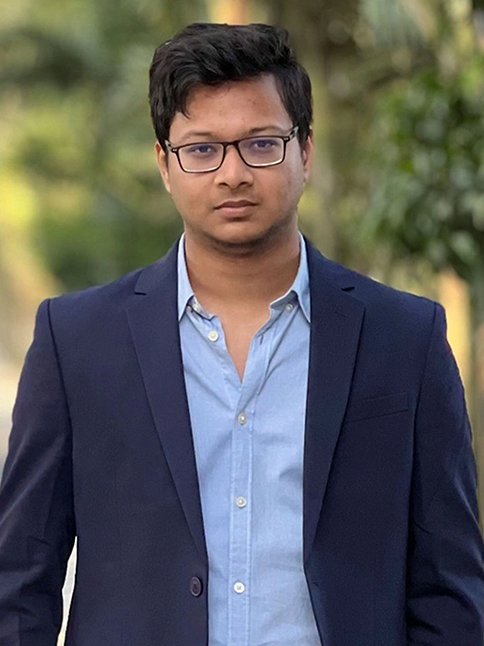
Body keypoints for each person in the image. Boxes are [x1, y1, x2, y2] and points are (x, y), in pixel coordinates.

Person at [0, 22, 483, 646]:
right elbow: (21, 581)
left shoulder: (406, 339)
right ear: (164, 164)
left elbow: (449, 588)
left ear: (305, 151)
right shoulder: (77, 343)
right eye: (202, 149)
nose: (232, 173)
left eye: (261, 144)